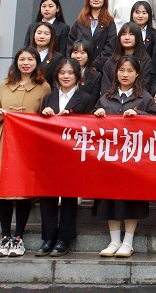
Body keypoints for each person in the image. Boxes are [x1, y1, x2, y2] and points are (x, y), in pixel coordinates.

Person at [0, 48, 52, 258]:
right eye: (22, 59)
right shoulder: (6, 84)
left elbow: (46, 115)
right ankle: (5, 237)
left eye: (30, 59)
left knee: (23, 191)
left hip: (28, 143)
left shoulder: (44, 87)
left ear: (37, 62)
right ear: (16, 62)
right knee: (5, 191)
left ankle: (18, 238)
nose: (26, 63)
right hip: (5, 140)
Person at [94, 55, 156, 257]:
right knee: (109, 199)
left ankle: (128, 242)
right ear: (116, 73)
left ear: (137, 74)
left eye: (130, 71)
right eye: (122, 70)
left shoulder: (144, 97)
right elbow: (92, 123)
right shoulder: (106, 97)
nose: (125, 74)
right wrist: (97, 114)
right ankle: (114, 241)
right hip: (110, 159)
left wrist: (140, 116)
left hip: (134, 159)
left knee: (131, 199)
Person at [38, 57, 93, 257]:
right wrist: (45, 115)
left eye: (70, 73)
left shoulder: (85, 98)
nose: (66, 76)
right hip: (50, 153)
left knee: (69, 197)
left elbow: (90, 126)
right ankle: (48, 237)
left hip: (73, 153)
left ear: (78, 76)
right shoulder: (48, 98)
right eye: (62, 73)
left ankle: (64, 239)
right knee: (47, 196)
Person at [67, 0, 116, 73]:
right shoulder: (79, 22)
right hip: (78, 69)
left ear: (104, 0)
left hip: (99, 70)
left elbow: (110, 47)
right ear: (88, 0)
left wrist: (94, 66)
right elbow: (70, 44)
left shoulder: (110, 23)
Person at [101, 22, 154, 96]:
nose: (126, 37)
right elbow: (105, 89)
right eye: (123, 34)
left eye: (131, 34)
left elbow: (144, 87)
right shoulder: (110, 62)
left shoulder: (145, 62)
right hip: (112, 100)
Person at [29, 21, 64, 89]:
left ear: (51, 37)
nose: (42, 36)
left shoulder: (57, 58)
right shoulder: (26, 54)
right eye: (39, 33)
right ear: (34, 35)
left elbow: (55, 83)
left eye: (46, 34)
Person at [68, 38, 101, 106]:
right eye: (75, 52)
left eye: (82, 53)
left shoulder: (96, 76)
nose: (78, 56)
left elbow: (93, 101)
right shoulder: (62, 73)